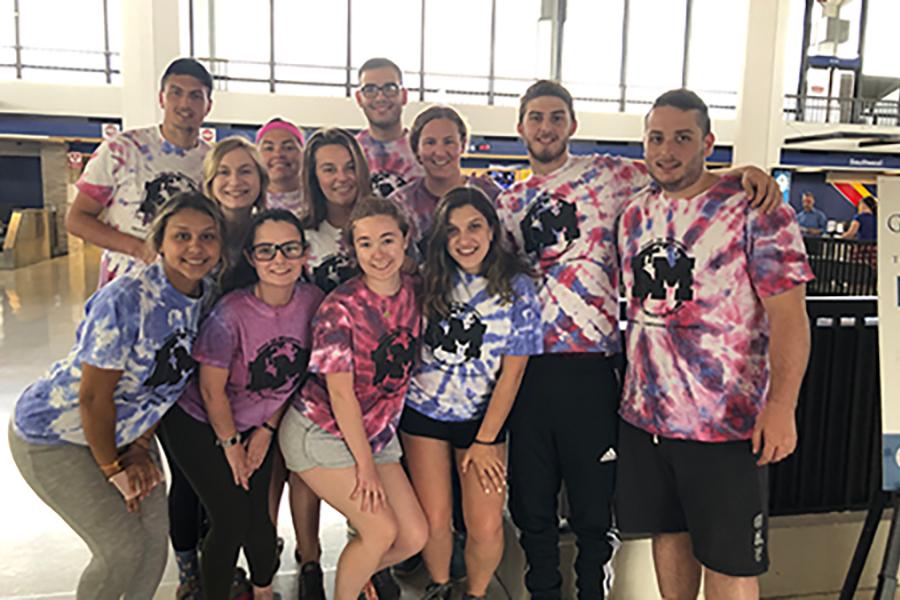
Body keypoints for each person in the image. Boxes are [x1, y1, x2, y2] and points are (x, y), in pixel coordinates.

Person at [494, 80, 780, 599]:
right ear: (520, 128)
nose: (546, 127)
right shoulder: (507, 203)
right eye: (536, 118)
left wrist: (745, 174)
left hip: (598, 367)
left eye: (556, 117)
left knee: (592, 506)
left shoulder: (607, 176)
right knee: (535, 505)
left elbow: (682, 173)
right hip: (534, 369)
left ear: (572, 125)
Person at [616, 88, 813, 600]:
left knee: (729, 562)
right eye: (656, 138)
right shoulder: (635, 215)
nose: (667, 150)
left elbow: (790, 318)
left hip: (726, 424)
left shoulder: (757, 212)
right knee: (670, 536)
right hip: (647, 417)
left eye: (682, 138)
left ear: (708, 141)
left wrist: (783, 405)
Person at [9, 193, 224, 599]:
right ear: (159, 242)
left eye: (207, 237)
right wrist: (113, 469)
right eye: (182, 236)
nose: (196, 248)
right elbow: (92, 398)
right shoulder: (127, 298)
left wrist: (141, 447)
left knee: (152, 547)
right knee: (121, 551)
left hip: (129, 435)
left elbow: (166, 385)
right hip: (56, 437)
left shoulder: (205, 298)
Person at [160, 209, 324, 600]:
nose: (279, 260)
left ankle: (264, 592)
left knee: (259, 515)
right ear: (251, 258)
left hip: (258, 422)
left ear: (305, 254)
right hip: (198, 420)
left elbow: (298, 378)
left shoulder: (314, 302)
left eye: (289, 249)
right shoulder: (230, 314)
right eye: (267, 251)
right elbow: (211, 391)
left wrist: (266, 430)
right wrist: (232, 445)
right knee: (231, 518)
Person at [280, 196, 428, 600]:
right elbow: (340, 395)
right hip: (321, 431)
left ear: (404, 239)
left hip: (377, 432)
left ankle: (357, 568)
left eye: (386, 240)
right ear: (353, 248)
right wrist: (365, 466)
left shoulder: (417, 291)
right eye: (365, 243)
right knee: (380, 530)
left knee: (413, 537)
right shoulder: (339, 307)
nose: (377, 253)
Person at [401, 188, 542, 600]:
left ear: (493, 229)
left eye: (474, 227)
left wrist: (485, 440)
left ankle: (475, 594)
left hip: (483, 420)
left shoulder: (518, 287)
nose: (464, 239)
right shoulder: (426, 279)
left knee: (485, 525)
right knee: (435, 517)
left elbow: (513, 374)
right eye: (453, 231)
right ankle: (441, 586)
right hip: (423, 414)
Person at [66, 58, 214, 287]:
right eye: (176, 92)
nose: (185, 103)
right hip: (125, 287)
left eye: (195, 96)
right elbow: (77, 220)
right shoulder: (121, 150)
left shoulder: (213, 162)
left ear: (208, 106)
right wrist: (139, 249)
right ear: (161, 98)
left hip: (187, 290)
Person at [390, 105, 501, 253]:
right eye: (430, 142)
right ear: (417, 149)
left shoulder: (490, 196)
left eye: (449, 142)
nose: (440, 152)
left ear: (462, 145)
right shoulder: (401, 204)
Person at [302, 127, 369, 293]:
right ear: (313, 175)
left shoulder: (387, 225)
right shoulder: (301, 236)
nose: (342, 177)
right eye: (329, 170)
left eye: (350, 167)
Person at [354, 58, 425, 198]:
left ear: (404, 96)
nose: (380, 97)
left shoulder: (424, 150)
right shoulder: (351, 151)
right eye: (370, 90)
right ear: (359, 98)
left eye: (390, 88)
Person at [257, 117, 308, 218]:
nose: (278, 154)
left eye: (288, 147)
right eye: (269, 148)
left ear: (303, 153)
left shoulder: (318, 200)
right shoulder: (249, 202)